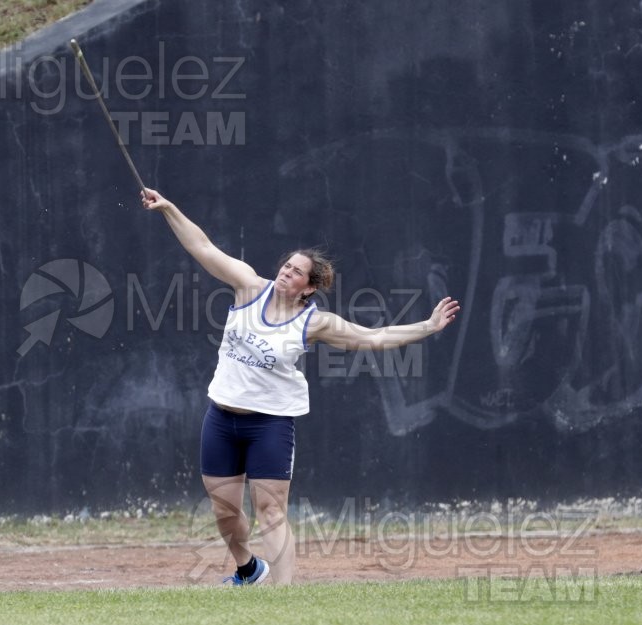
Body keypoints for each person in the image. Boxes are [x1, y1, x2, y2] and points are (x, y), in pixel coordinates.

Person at [141, 188, 460, 586]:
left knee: (270, 511)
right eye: (286, 266)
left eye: (295, 272)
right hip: (221, 417)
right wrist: (169, 208)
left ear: (308, 287)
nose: (285, 272)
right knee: (225, 511)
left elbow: (374, 338)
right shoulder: (248, 287)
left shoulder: (314, 322)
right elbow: (203, 247)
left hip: (270, 424)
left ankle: (285, 597)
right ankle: (249, 569)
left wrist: (427, 327)